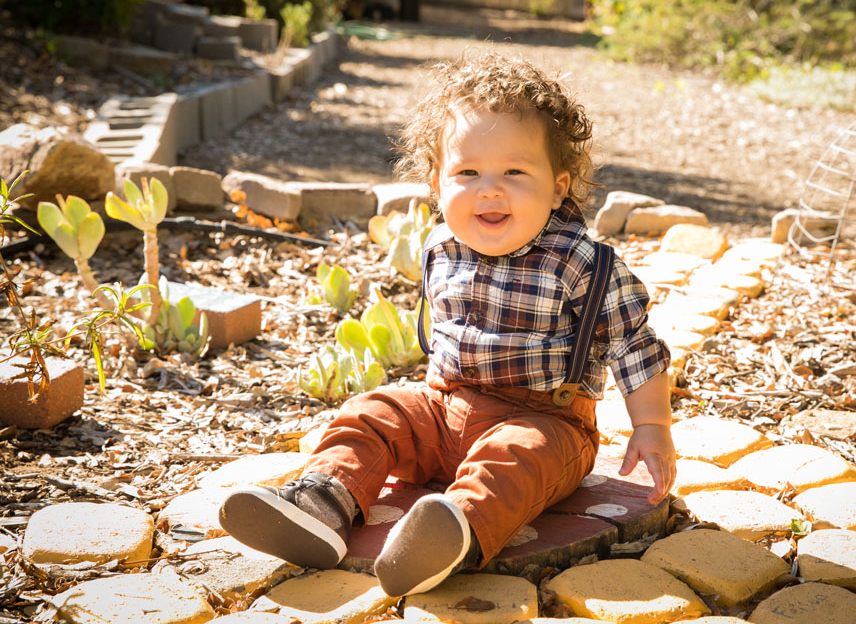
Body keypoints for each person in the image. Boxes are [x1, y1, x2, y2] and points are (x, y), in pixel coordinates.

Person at [218, 51, 677, 598]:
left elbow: (634, 345)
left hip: (545, 420)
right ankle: (324, 503)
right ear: (436, 184)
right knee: (374, 410)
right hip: (443, 408)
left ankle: (452, 531)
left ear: (557, 187)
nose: (489, 188)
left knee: (513, 459)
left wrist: (652, 427)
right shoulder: (441, 247)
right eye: (467, 172)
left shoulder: (583, 263)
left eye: (514, 171)